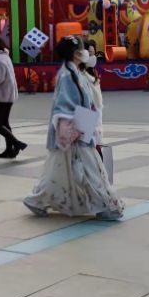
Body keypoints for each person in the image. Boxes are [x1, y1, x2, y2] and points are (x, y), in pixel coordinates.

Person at [23, 36, 124, 220]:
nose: (86, 52)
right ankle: (104, 204)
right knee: (89, 167)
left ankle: (38, 200)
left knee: (61, 168)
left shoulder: (73, 72)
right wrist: (75, 126)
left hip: (78, 128)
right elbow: (64, 104)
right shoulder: (68, 75)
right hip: (74, 130)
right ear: (76, 53)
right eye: (83, 49)